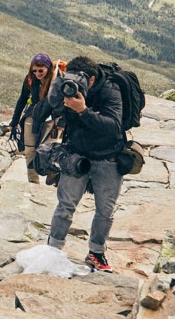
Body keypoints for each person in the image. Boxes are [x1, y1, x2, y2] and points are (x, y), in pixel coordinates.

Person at [43, 55, 127, 273]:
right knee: (65, 205)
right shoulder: (68, 86)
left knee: (105, 209)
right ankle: (53, 250)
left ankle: (96, 252)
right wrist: (57, 87)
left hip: (108, 157)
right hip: (77, 154)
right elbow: (53, 110)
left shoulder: (111, 90)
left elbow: (113, 127)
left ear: (90, 80)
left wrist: (83, 110)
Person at [8, 54, 55, 183]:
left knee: (49, 148)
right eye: (34, 70)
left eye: (41, 70)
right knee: (29, 151)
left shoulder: (57, 80)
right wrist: (14, 121)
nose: (37, 73)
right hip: (32, 116)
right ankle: (33, 183)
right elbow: (22, 100)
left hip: (52, 118)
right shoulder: (30, 80)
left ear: (48, 68)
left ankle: (52, 174)